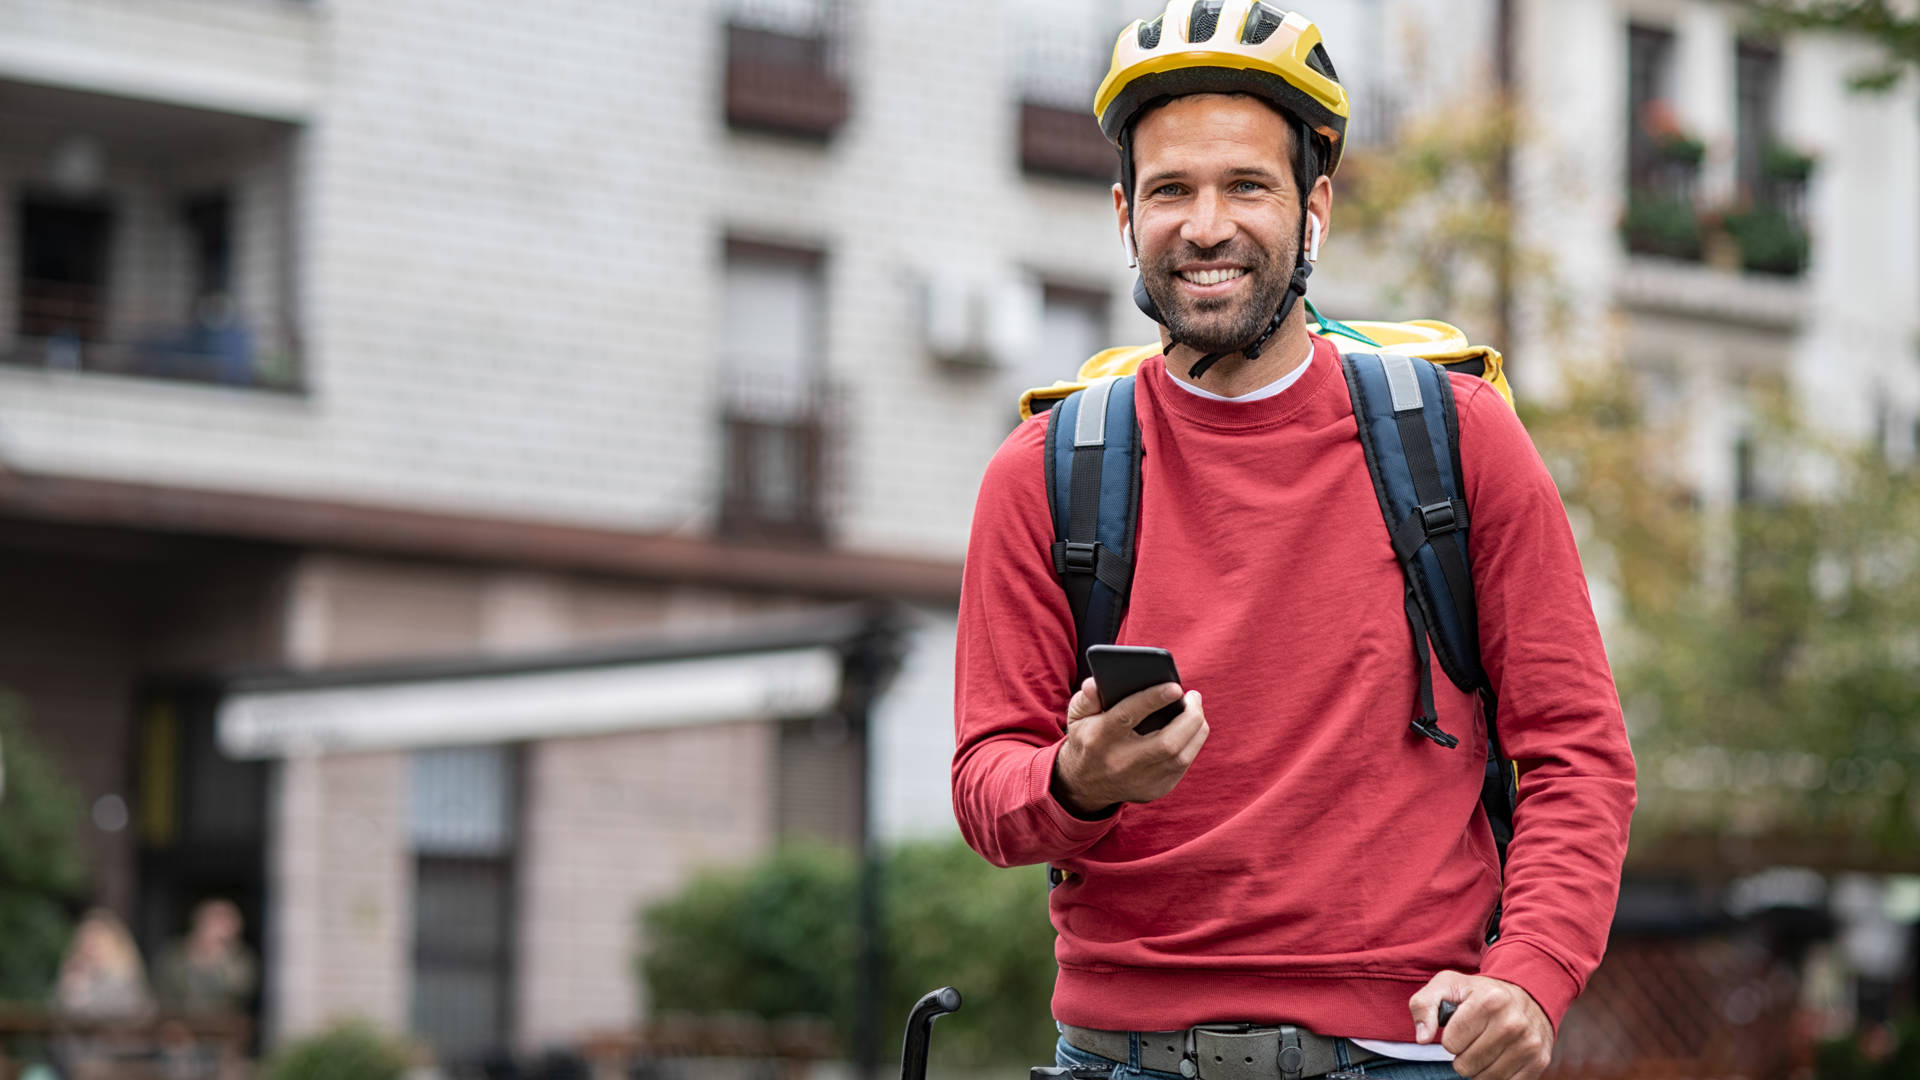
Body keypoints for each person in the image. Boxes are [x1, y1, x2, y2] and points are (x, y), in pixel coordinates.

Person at [950, 5, 1637, 1080]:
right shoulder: (1043, 469)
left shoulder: (1454, 440)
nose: (1207, 224)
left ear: (1313, 208)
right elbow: (988, 784)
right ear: (1126, 213)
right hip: (1118, 1053)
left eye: (1247, 185)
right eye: (1172, 190)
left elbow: (1575, 752)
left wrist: (1531, 969)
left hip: (1398, 1050)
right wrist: (1077, 781)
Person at [155, 899, 257, 1016]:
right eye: (214, 921)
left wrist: (219, 959)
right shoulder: (175, 952)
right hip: (180, 1022)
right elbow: (165, 987)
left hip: (225, 1024)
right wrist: (196, 956)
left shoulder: (241, 957)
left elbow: (241, 989)